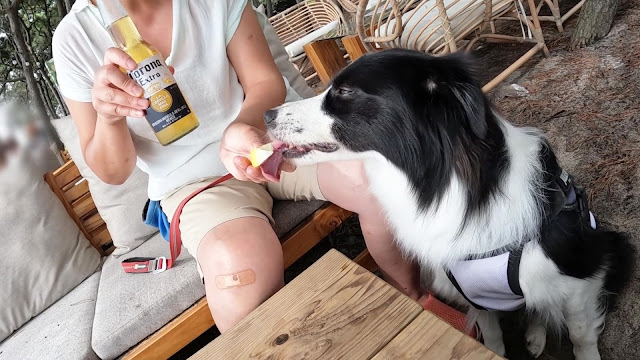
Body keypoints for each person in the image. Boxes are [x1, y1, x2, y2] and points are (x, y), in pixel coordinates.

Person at [52, 0, 421, 332]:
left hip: (269, 136)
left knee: (382, 177)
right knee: (239, 273)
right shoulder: (75, 38)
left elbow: (264, 81)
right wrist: (109, 117)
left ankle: (417, 304)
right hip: (194, 182)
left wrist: (241, 130)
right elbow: (112, 171)